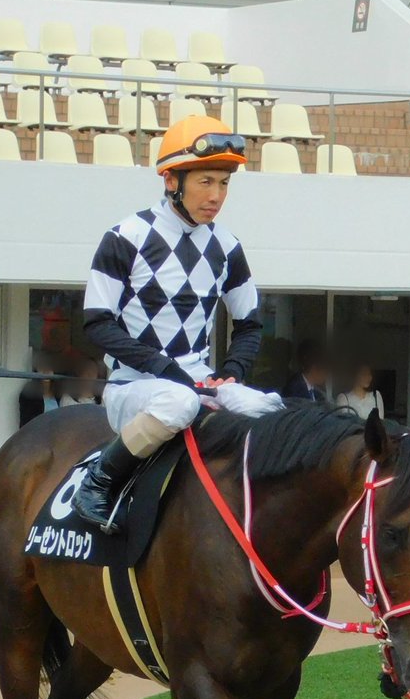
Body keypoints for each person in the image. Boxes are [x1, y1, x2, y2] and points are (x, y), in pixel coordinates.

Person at [71, 115, 282, 533]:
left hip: (199, 380)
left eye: (224, 184)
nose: (217, 195)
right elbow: (97, 324)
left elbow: (250, 324)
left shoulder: (227, 246)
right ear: (172, 181)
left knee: (269, 408)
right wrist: (163, 367)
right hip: (135, 385)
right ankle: (98, 483)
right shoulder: (125, 236)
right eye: (206, 181)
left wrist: (231, 373)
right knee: (178, 402)